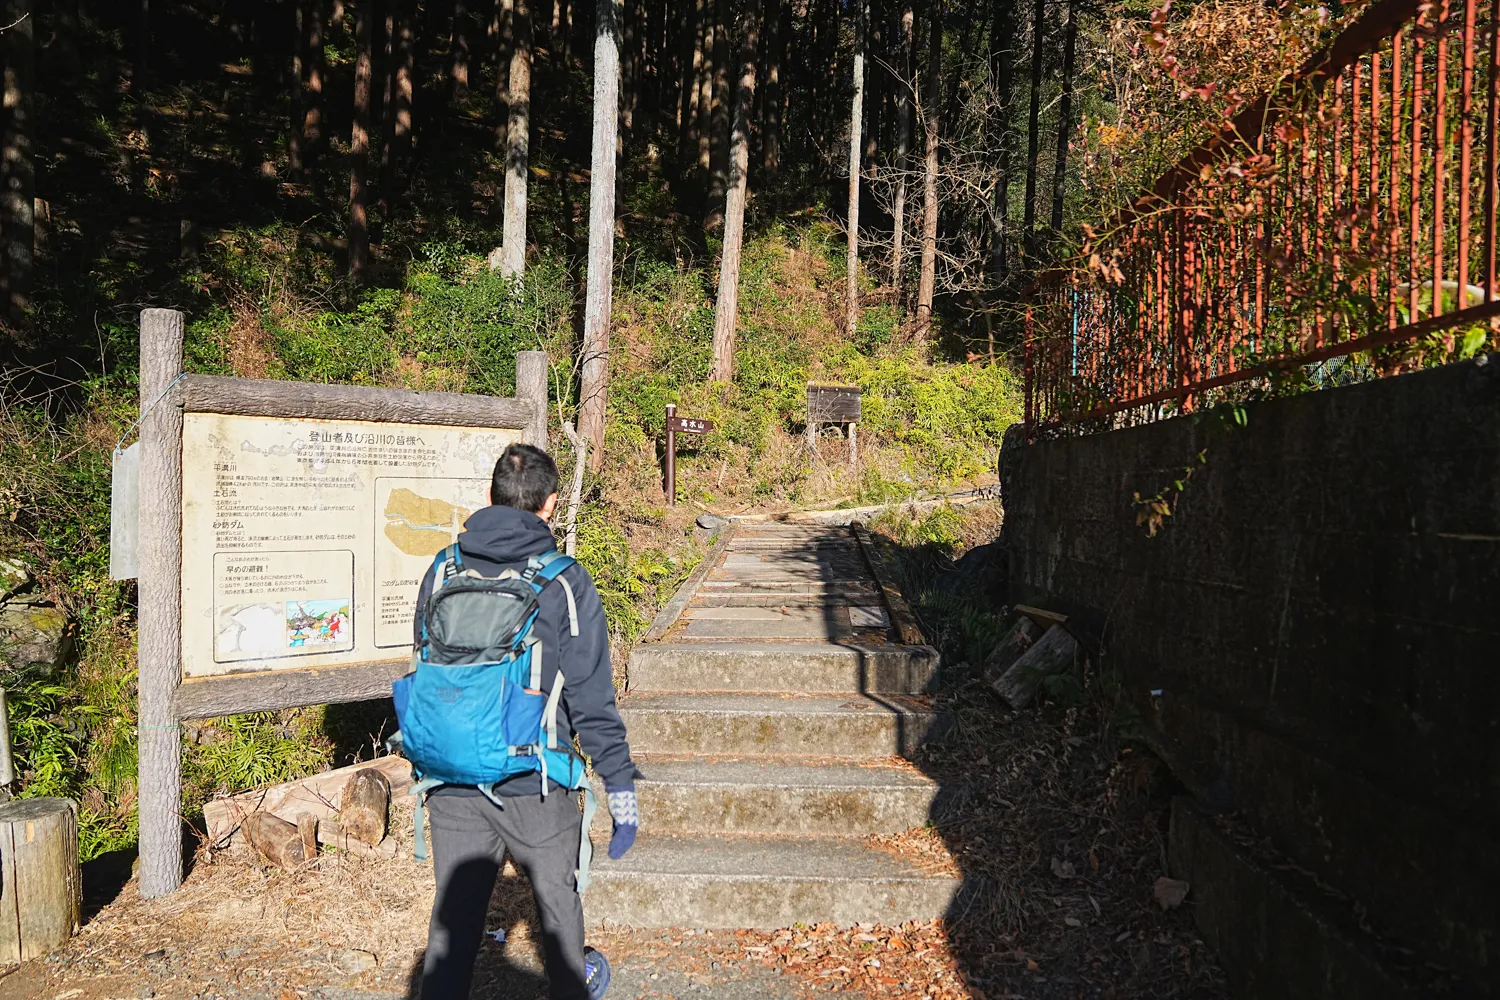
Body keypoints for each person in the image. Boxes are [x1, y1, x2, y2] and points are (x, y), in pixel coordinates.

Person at [412, 443, 641, 1000]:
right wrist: (620, 785)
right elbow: (591, 698)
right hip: (536, 780)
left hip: (452, 777)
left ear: (489, 497)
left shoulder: (442, 569)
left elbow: (423, 664)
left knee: (452, 930)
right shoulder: (564, 581)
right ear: (552, 505)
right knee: (559, 919)